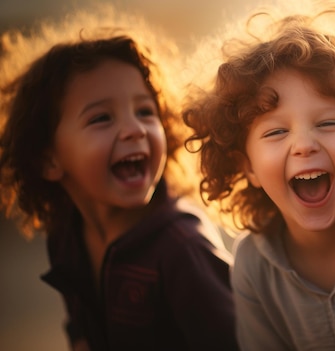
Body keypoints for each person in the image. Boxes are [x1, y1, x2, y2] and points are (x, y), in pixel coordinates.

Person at [181, 0, 335, 349]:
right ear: (247, 165)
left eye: (327, 123)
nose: (304, 145)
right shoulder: (253, 265)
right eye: (276, 133)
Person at [0, 8, 238, 351]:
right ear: (48, 159)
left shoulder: (182, 248)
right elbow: (80, 323)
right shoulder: (66, 235)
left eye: (145, 111)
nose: (134, 129)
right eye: (101, 118)